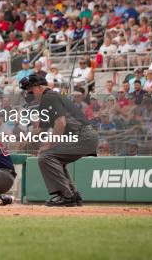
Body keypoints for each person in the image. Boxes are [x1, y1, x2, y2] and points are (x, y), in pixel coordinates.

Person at [19, 74, 99, 207]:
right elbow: (41, 130)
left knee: (46, 156)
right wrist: (25, 140)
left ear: (39, 88)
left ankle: (67, 196)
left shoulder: (49, 97)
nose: (29, 94)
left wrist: (50, 145)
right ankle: (72, 194)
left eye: (30, 91)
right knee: (54, 157)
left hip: (83, 136)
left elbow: (60, 123)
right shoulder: (49, 98)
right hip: (85, 136)